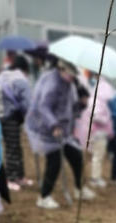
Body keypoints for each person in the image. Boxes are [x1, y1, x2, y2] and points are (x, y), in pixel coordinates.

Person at [26, 58, 95, 209]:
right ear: (61, 69)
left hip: (63, 132)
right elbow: (43, 107)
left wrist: (81, 105)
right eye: (70, 73)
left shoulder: (68, 85)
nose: (72, 77)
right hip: (46, 130)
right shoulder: (51, 83)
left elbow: (69, 108)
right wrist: (53, 125)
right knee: (54, 162)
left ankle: (79, 189)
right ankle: (44, 196)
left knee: (77, 157)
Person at [0, 55, 32, 190]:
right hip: (11, 117)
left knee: (3, 147)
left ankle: (14, 176)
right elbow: (28, 103)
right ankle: (13, 178)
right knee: (13, 147)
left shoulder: (2, 76)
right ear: (25, 69)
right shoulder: (21, 80)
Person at [75, 71, 114, 189]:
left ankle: (91, 177)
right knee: (97, 156)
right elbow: (96, 117)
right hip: (99, 133)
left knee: (93, 156)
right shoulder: (97, 102)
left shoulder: (93, 99)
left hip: (92, 132)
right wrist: (106, 119)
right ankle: (95, 178)